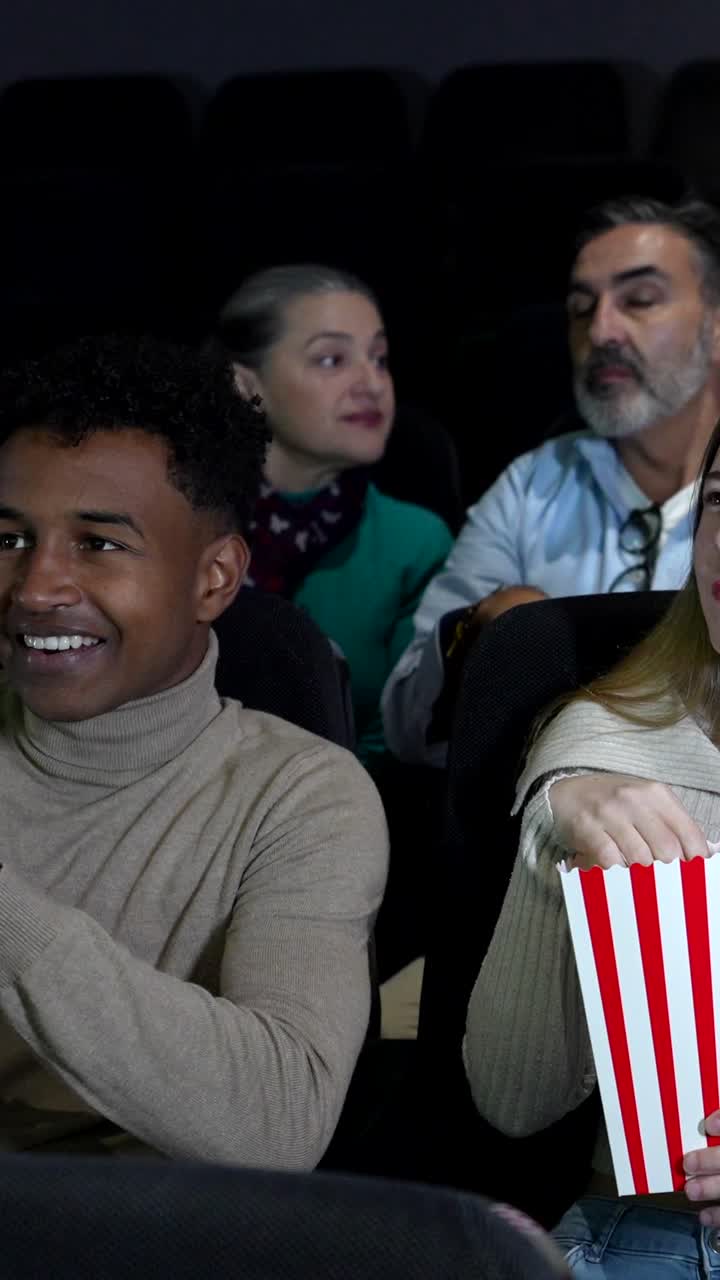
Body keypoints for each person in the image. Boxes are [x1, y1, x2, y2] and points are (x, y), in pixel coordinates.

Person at [0, 334, 388, 1166]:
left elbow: (283, 1116)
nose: (35, 588)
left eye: (99, 545)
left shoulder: (303, 797)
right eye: (9, 540)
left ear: (213, 579)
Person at [463, 416, 720, 1274]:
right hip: (658, 1230)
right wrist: (550, 844)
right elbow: (513, 1102)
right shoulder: (606, 745)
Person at [382, 195, 720, 766]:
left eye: (638, 300)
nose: (601, 329)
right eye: (580, 307)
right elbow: (406, 726)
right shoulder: (536, 482)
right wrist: (485, 631)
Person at [212, 264, 453, 767]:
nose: (371, 384)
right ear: (244, 384)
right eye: (331, 359)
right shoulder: (181, 528)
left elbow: (401, 740)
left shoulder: (416, 543)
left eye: (380, 359)